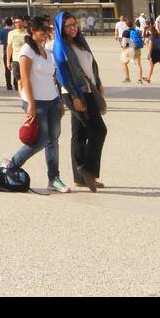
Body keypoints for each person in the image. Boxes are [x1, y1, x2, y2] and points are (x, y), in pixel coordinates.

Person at [7, 16, 69, 193]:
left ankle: (54, 178)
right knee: (40, 139)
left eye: (47, 30)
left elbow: (52, 78)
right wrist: (31, 105)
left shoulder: (45, 50)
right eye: (42, 30)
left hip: (51, 100)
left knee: (53, 139)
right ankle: (13, 163)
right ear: (32, 32)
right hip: (37, 101)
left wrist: (59, 101)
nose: (46, 33)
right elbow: (25, 79)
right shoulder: (27, 51)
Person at [53, 12, 107, 191]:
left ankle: (80, 177)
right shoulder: (60, 46)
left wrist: (98, 82)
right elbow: (62, 74)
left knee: (79, 133)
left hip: (88, 90)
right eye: (68, 25)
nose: (73, 28)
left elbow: (91, 66)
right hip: (75, 93)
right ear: (61, 28)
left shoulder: (80, 42)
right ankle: (88, 170)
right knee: (98, 129)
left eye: (74, 24)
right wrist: (75, 97)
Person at [143, 20, 160, 84]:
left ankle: (148, 79)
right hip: (159, 51)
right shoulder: (158, 36)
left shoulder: (151, 37)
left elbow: (150, 47)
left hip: (153, 52)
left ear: (150, 31)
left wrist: (149, 55)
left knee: (151, 67)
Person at [5, 17, 27, 91]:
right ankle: (22, 96)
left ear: (24, 22)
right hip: (16, 59)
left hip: (27, 59)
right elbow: (9, 47)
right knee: (19, 79)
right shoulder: (11, 33)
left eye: (19, 22)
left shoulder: (28, 33)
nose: (17, 24)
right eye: (15, 22)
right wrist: (8, 61)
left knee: (26, 78)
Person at [0, 17, 16, 88]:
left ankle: (8, 85)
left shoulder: (3, 31)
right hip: (14, 51)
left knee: (7, 68)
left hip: (6, 51)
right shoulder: (14, 31)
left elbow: (0, 42)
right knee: (15, 68)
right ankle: (16, 83)